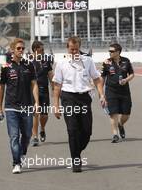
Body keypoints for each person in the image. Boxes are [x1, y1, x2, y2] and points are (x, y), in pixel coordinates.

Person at [53, 36, 106, 172]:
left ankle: (77, 150)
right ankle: (75, 159)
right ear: (67, 48)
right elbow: (57, 86)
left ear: (79, 48)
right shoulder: (61, 63)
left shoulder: (87, 61)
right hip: (68, 98)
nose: (74, 52)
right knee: (72, 130)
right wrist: (56, 105)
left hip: (84, 99)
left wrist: (101, 95)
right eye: (72, 50)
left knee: (87, 132)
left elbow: (97, 79)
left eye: (76, 50)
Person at [0, 38, 39, 174]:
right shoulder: (6, 67)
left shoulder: (29, 65)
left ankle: (21, 153)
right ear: (12, 50)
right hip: (11, 107)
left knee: (26, 135)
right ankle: (16, 163)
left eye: (23, 48)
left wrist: (37, 102)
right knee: (14, 136)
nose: (21, 50)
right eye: (19, 48)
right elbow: (1, 88)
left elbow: (34, 85)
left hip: (27, 106)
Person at [100, 43, 134, 143]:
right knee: (113, 113)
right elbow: (102, 78)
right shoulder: (106, 63)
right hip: (111, 92)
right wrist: (101, 94)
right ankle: (115, 134)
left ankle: (120, 124)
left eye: (111, 51)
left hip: (124, 92)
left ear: (118, 52)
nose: (109, 53)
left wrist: (126, 80)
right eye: (109, 51)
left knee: (126, 114)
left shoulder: (126, 61)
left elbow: (131, 74)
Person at [31, 40, 53, 146]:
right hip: (33, 91)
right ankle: (34, 137)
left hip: (44, 90)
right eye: (41, 49)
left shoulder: (46, 61)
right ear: (35, 50)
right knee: (35, 113)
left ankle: (42, 128)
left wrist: (54, 89)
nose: (43, 51)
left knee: (44, 115)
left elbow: (51, 76)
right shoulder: (29, 62)